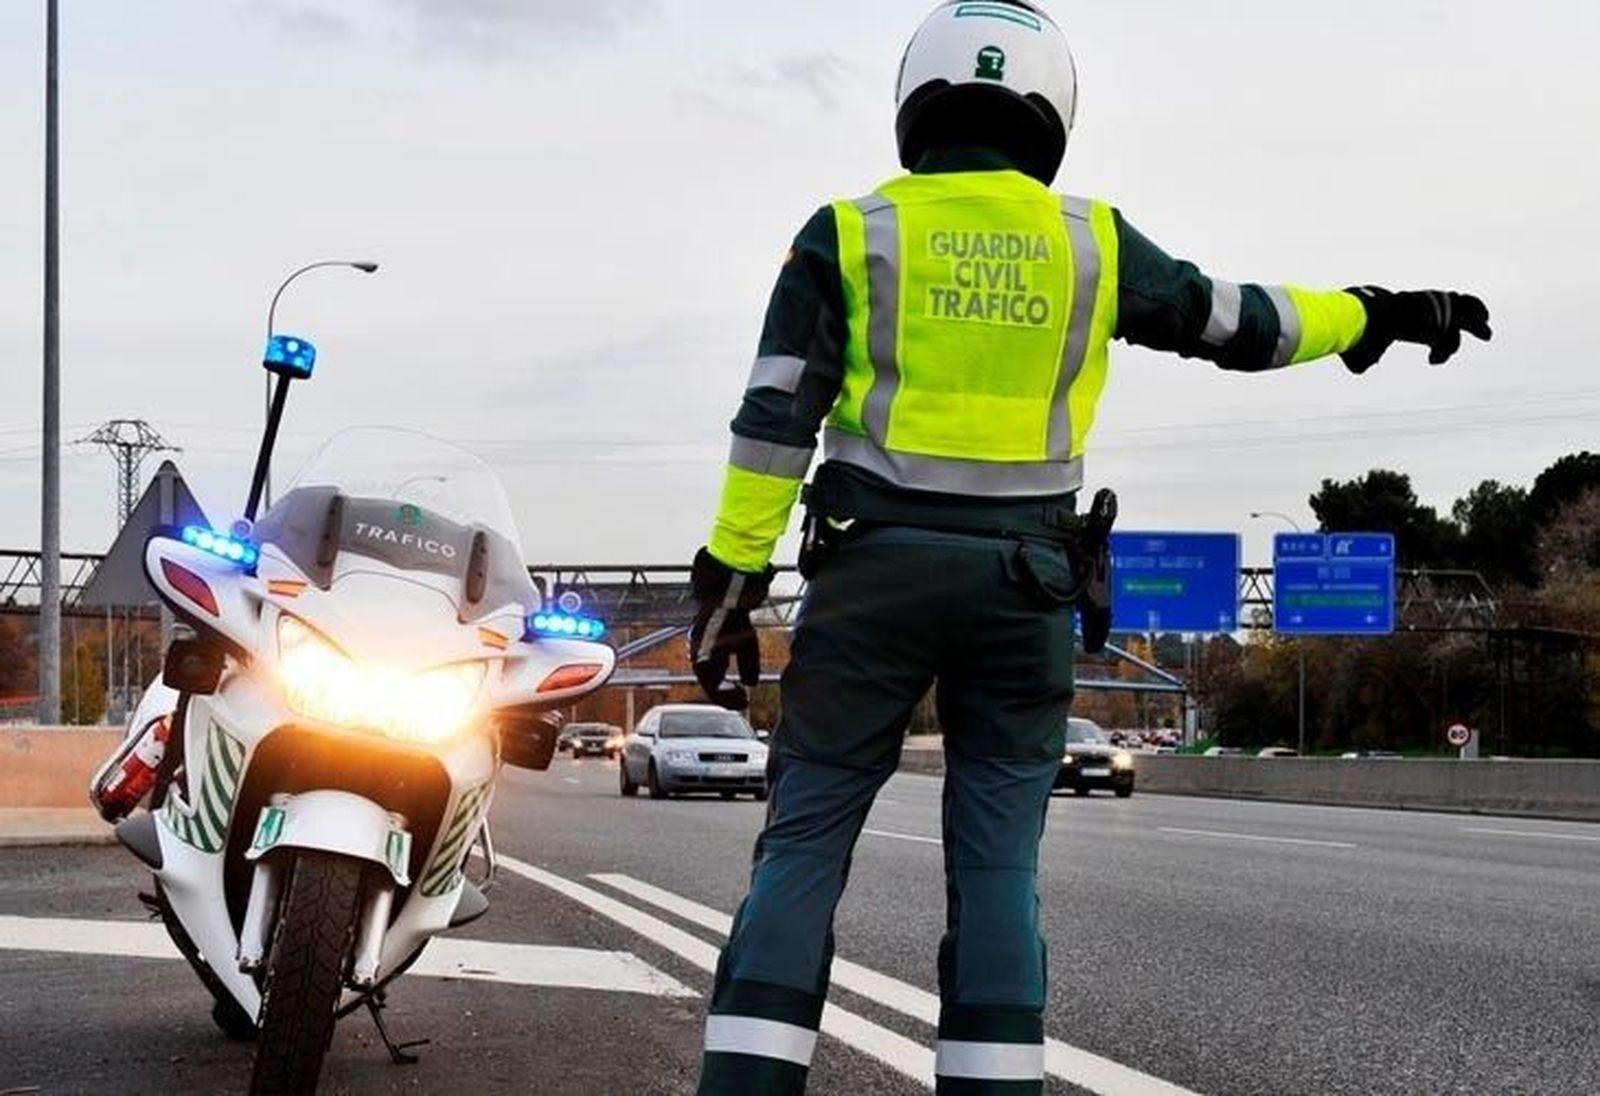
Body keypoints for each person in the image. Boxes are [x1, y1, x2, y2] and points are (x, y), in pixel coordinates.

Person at [686, 2, 1490, 1092]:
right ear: (1051, 110)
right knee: (998, 863)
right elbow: (1242, 320)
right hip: (1025, 592)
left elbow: (774, 416)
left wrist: (730, 578)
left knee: (804, 844)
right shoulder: (1090, 241)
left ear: (914, 104)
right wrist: (1375, 313)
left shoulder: (847, 231)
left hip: (868, 581)